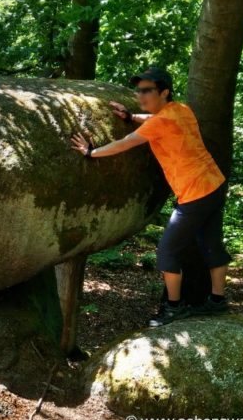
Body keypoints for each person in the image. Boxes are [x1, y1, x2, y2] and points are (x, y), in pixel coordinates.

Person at [69, 66, 232, 327]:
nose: (140, 95)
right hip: (214, 184)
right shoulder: (182, 110)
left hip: (195, 192)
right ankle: (217, 302)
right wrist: (131, 115)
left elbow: (126, 143)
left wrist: (91, 152)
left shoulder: (160, 122)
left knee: (167, 250)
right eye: (139, 90)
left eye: (147, 91)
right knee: (211, 244)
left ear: (164, 92)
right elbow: (156, 121)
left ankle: (174, 308)